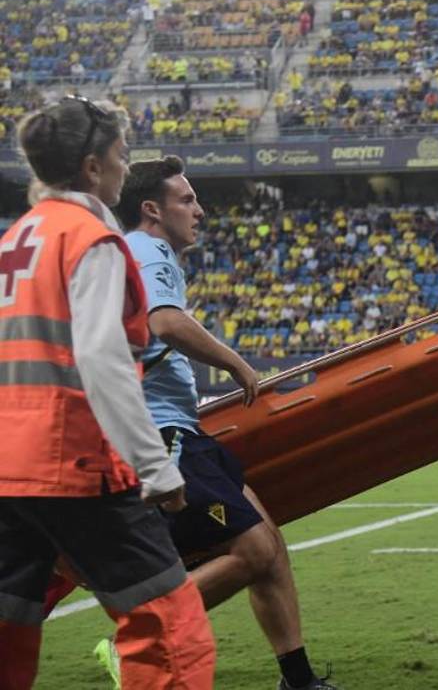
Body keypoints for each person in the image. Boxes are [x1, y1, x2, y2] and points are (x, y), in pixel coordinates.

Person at [0, 97, 215, 689]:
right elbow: (102, 358)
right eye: (120, 156)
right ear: (93, 168)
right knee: (169, 629)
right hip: (74, 461)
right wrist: (155, 466)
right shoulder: (89, 238)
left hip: (9, 466)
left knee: (8, 628)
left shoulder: (17, 238)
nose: (125, 167)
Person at [107, 156, 339, 690]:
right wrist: (236, 363)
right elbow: (166, 322)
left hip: (179, 428)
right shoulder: (147, 248)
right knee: (254, 550)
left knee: (270, 549)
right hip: (160, 432)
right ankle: (137, 636)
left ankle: (298, 680)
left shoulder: (139, 252)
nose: (200, 211)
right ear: (152, 210)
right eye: (187, 200)